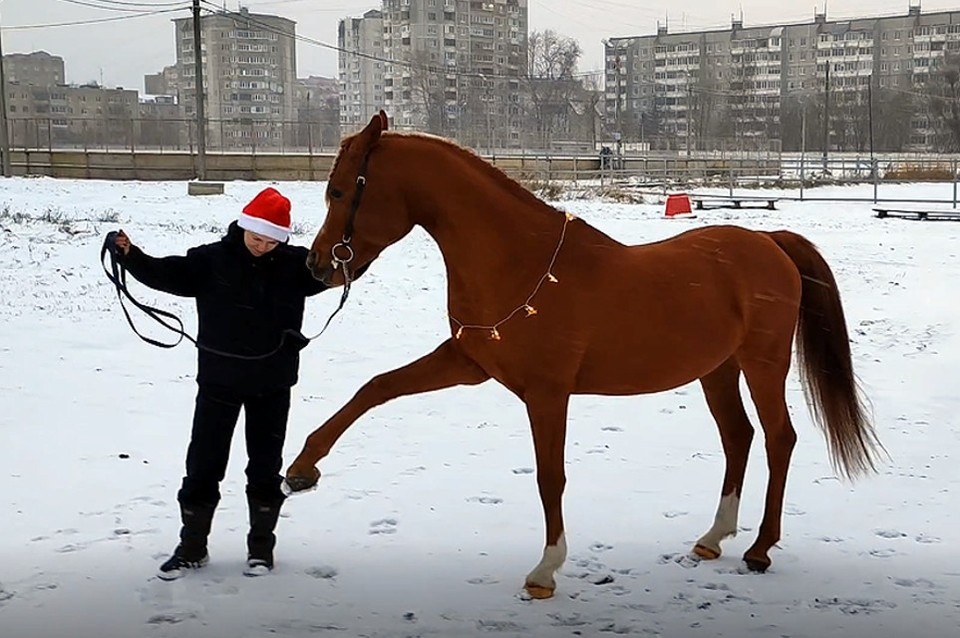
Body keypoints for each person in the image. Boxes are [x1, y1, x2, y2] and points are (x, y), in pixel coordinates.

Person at [114, 187, 329, 580]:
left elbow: (336, 271)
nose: (262, 246)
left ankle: (261, 551)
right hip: (218, 383)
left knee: (265, 470)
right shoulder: (210, 260)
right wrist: (131, 256)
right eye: (256, 237)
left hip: (273, 384)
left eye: (271, 240)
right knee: (203, 466)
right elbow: (166, 274)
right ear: (244, 227)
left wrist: (363, 248)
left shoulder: (296, 265)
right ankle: (192, 547)